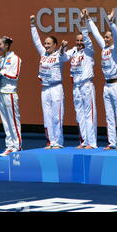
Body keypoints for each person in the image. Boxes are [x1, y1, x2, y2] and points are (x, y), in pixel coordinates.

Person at [85, 9, 117, 150]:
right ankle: (112, 142)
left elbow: (116, 35)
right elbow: (96, 34)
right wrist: (88, 19)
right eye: (105, 37)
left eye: (108, 37)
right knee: (109, 116)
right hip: (107, 86)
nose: (105, 39)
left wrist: (111, 22)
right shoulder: (104, 48)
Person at [30, 15, 69, 149]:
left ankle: (58, 141)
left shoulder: (59, 55)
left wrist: (63, 47)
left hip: (56, 88)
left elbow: (64, 55)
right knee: (47, 116)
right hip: (45, 89)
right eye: (45, 43)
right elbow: (36, 41)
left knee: (57, 116)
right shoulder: (43, 53)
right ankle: (51, 141)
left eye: (49, 44)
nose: (46, 46)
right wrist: (33, 25)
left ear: (55, 45)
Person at [65, 10, 98, 149]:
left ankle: (92, 142)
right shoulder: (73, 51)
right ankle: (83, 141)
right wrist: (62, 48)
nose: (80, 43)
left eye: (81, 41)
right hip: (76, 87)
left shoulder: (89, 51)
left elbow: (88, 39)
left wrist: (83, 24)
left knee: (89, 114)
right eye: (77, 41)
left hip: (86, 85)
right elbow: (61, 58)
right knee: (79, 114)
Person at [0, 36, 22, 156]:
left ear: (6, 45)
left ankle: (17, 146)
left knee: (13, 120)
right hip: (0, 92)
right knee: (5, 121)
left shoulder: (15, 58)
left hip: (10, 92)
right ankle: (9, 145)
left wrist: (0, 71)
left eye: (0, 44)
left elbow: (14, 75)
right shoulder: (0, 59)